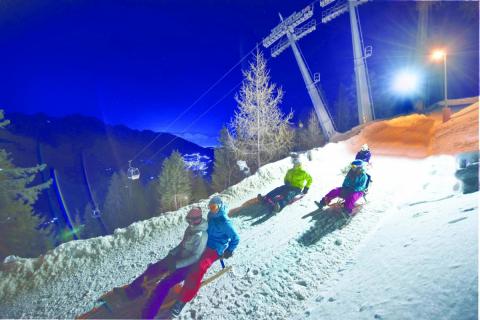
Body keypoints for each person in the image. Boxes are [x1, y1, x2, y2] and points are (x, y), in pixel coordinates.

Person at [123, 207, 208, 319]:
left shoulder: (201, 236)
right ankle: (133, 291)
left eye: (191, 220)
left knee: (164, 285)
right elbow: (182, 245)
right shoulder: (190, 228)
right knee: (154, 268)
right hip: (178, 257)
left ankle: (148, 315)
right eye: (188, 220)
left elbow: (195, 257)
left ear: (198, 219)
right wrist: (172, 253)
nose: (189, 222)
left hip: (188, 266)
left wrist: (177, 265)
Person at [168, 196, 240, 318]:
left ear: (220, 206)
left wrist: (229, 250)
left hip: (214, 249)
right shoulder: (211, 216)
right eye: (210, 207)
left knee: (198, 268)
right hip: (204, 242)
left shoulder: (225, 222)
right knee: (187, 257)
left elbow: (236, 238)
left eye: (214, 207)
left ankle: (182, 301)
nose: (212, 210)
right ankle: (172, 279)